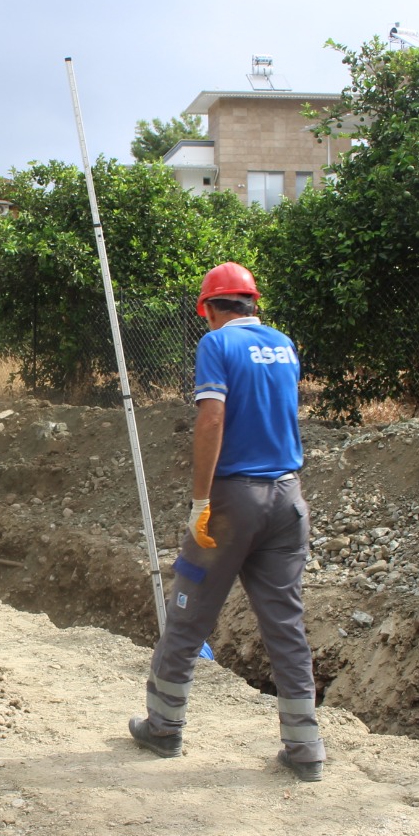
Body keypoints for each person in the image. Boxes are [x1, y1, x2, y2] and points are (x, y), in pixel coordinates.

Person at [127, 262, 325, 782]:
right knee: (285, 624)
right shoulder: (283, 343)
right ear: (252, 303)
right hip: (289, 499)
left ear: (210, 309)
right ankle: (306, 752)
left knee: (188, 609)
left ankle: (164, 728)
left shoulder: (216, 345)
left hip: (236, 500)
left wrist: (200, 501)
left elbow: (212, 418)